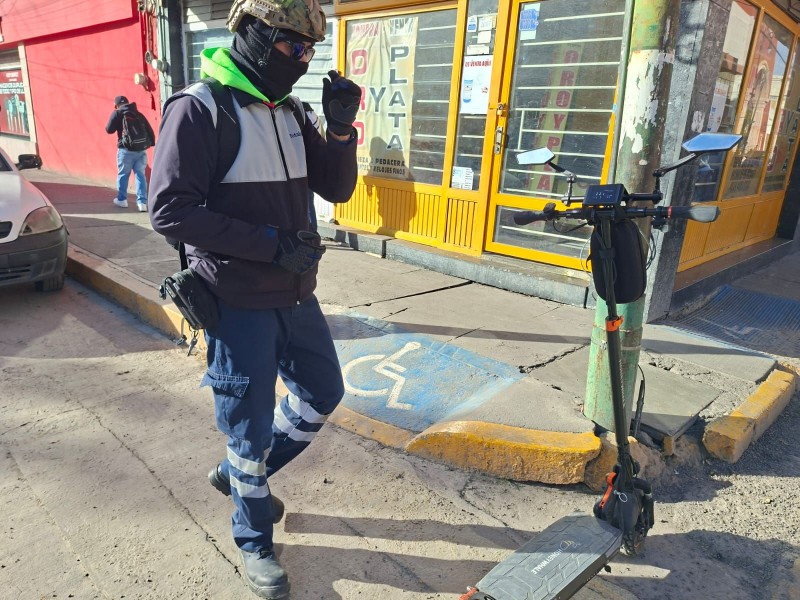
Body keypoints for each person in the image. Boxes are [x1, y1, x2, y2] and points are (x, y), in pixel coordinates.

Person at [148, 0, 361, 598]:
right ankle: (254, 538)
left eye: (310, 49)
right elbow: (169, 210)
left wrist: (340, 129)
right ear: (253, 33)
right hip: (237, 299)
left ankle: (243, 479)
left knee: (322, 392)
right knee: (248, 427)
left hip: (295, 292)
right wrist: (271, 245)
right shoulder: (201, 108)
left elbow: (337, 188)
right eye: (293, 44)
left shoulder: (289, 109)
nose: (302, 58)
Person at [105, 95, 155, 212]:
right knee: (140, 175)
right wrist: (151, 143)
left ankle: (122, 200)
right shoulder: (137, 113)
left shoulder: (117, 113)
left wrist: (116, 116)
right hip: (141, 150)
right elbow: (149, 130)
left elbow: (109, 130)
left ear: (116, 105)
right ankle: (142, 203)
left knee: (123, 175)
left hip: (125, 150)